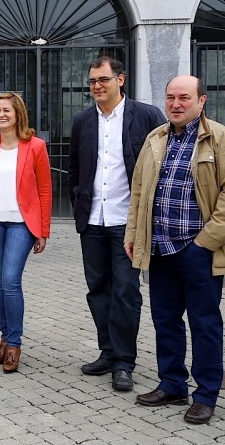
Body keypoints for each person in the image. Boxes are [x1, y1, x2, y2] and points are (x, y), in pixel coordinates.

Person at [125, 75, 225, 426]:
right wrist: (134, 234)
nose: (176, 104)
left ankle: (206, 395)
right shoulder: (156, 138)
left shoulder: (224, 140)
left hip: (199, 251)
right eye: (170, 98)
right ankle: (172, 384)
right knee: (165, 320)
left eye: (184, 97)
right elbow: (139, 193)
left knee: (204, 323)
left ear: (201, 100)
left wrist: (203, 243)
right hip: (160, 249)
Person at [67, 57, 165, 392]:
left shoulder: (148, 116)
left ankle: (124, 362)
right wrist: (79, 197)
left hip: (128, 223)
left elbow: (161, 165)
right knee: (98, 290)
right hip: (93, 220)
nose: (97, 86)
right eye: (92, 81)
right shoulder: (82, 121)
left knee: (126, 291)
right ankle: (107, 352)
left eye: (103, 79)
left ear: (120, 79)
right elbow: (76, 168)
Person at [0, 91, 51, 373]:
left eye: (6, 110)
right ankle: (5, 338)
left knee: (10, 280)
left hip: (22, 223)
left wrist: (43, 230)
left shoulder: (35, 146)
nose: (1, 115)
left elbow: (44, 188)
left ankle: (14, 343)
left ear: (18, 113)